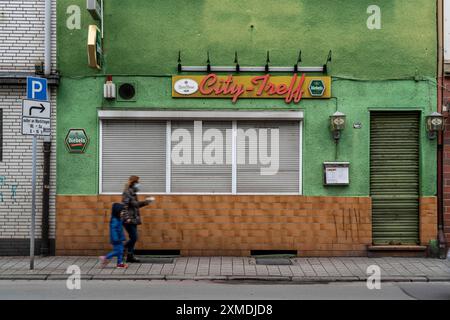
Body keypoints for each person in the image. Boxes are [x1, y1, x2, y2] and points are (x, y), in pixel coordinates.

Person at [122, 175, 154, 263]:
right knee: (134, 238)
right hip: (129, 219)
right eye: (137, 183)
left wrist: (147, 202)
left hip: (134, 219)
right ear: (133, 183)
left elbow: (136, 205)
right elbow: (124, 206)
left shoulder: (133, 193)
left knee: (133, 237)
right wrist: (127, 218)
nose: (139, 184)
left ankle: (130, 256)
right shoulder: (127, 192)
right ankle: (123, 248)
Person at [99, 203, 128, 269]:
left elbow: (120, 228)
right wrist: (116, 238)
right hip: (116, 239)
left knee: (120, 251)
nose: (122, 213)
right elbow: (113, 230)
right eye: (121, 212)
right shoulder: (115, 220)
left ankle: (119, 264)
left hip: (119, 238)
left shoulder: (118, 218)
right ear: (117, 212)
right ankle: (105, 257)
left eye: (123, 211)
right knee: (118, 251)